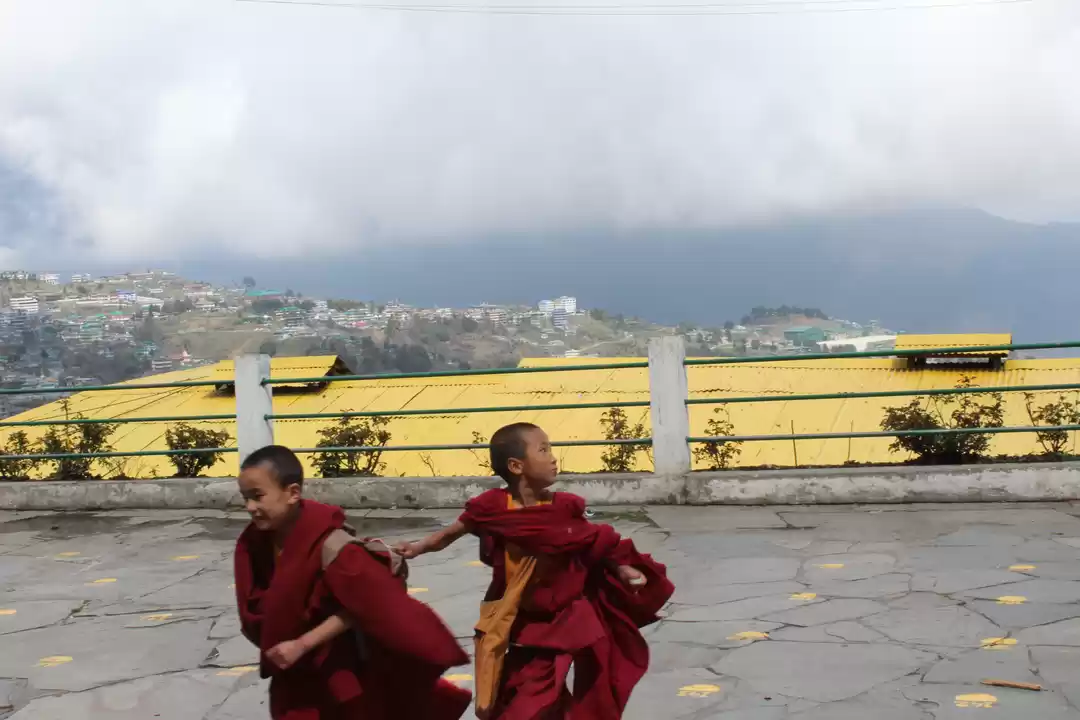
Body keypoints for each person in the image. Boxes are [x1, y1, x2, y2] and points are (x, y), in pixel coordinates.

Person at [397, 423, 674, 720]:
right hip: (522, 616)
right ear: (516, 466)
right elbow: (449, 534)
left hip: (568, 614)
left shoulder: (564, 508)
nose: (554, 458)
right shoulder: (491, 507)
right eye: (543, 450)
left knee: (584, 686)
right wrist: (417, 548)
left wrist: (623, 569)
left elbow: (595, 541)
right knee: (523, 692)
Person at [233, 445, 472, 720]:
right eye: (245, 498)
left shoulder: (333, 545)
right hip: (293, 678)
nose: (250, 507)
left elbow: (369, 606)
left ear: (293, 493)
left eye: (258, 496)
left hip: (339, 674)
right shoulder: (255, 543)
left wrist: (303, 644)